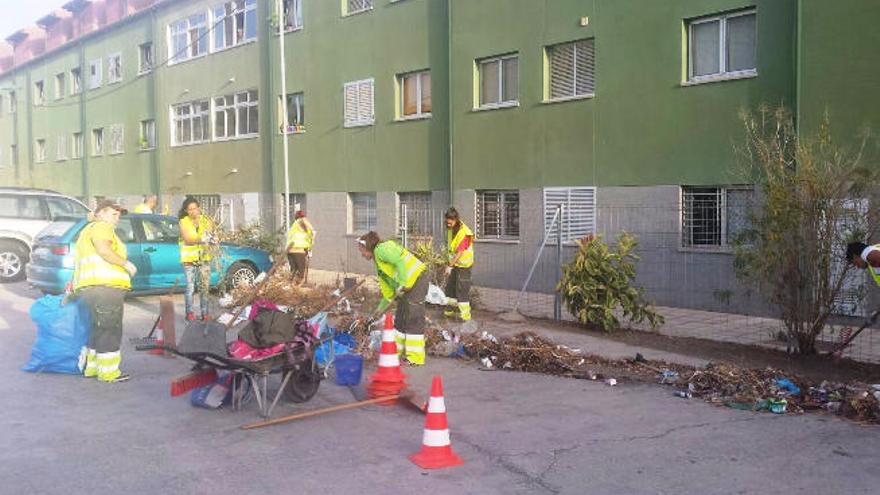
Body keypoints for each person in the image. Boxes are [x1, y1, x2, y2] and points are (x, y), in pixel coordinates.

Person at [72, 200, 137, 383]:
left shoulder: (89, 229)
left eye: (118, 215)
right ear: (100, 213)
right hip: (105, 288)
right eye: (113, 214)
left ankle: (93, 368)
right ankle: (108, 372)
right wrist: (126, 264)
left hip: (92, 288)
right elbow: (103, 250)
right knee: (110, 328)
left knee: (98, 328)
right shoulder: (102, 227)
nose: (117, 218)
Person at [357, 231, 429, 365]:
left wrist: (402, 283)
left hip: (417, 279)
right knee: (401, 317)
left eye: (362, 251)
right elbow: (388, 293)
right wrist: (378, 312)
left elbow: (399, 261)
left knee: (413, 317)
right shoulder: (379, 262)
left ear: (368, 248)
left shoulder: (381, 249)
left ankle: (415, 358)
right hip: (407, 285)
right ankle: (397, 352)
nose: (362, 255)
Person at [178, 197, 215, 321]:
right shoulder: (184, 222)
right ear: (186, 211)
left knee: (204, 288)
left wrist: (213, 239)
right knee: (190, 288)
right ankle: (189, 313)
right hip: (189, 260)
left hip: (204, 258)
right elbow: (188, 240)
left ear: (199, 208)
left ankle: (205, 314)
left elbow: (211, 234)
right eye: (190, 209)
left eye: (195, 208)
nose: (193, 211)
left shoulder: (206, 221)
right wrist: (201, 239)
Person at [444, 207, 475, 321]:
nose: (448, 224)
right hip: (455, 263)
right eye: (447, 222)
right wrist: (450, 263)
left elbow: (460, 252)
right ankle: (450, 311)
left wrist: (450, 266)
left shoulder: (464, 232)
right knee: (450, 288)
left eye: (450, 222)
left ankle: (465, 317)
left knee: (461, 290)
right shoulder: (451, 229)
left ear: (456, 219)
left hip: (464, 265)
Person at [285, 210, 315, 284]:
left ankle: (289, 286)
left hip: (289, 250)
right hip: (298, 250)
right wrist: (309, 248)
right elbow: (312, 233)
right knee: (301, 272)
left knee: (293, 270)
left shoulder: (295, 224)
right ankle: (297, 288)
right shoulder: (303, 221)